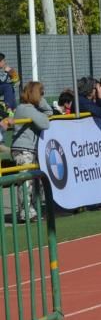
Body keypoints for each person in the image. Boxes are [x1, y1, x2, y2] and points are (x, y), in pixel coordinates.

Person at [10, 82, 52, 221]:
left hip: (31, 148)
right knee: (26, 182)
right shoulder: (25, 108)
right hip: (23, 150)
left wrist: (41, 101)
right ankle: (26, 213)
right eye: (41, 93)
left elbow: (49, 112)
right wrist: (39, 102)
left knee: (36, 182)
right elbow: (45, 123)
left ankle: (33, 210)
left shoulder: (32, 108)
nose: (42, 95)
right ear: (34, 93)